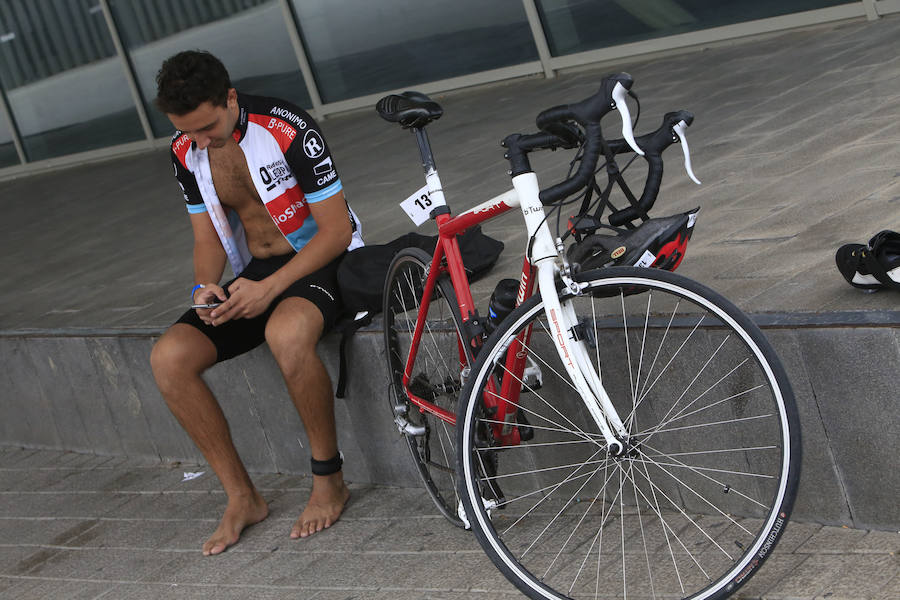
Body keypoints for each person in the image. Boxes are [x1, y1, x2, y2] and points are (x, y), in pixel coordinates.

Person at [149, 50, 363, 556]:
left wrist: (269, 290)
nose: (198, 141)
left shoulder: (287, 127)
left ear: (230, 97)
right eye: (188, 131)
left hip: (320, 259)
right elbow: (206, 239)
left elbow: (336, 231)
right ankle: (242, 497)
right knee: (169, 358)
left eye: (207, 127)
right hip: (258, 271)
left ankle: (329, 480)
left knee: (285, 336)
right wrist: (205, 288)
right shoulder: (186, 148)